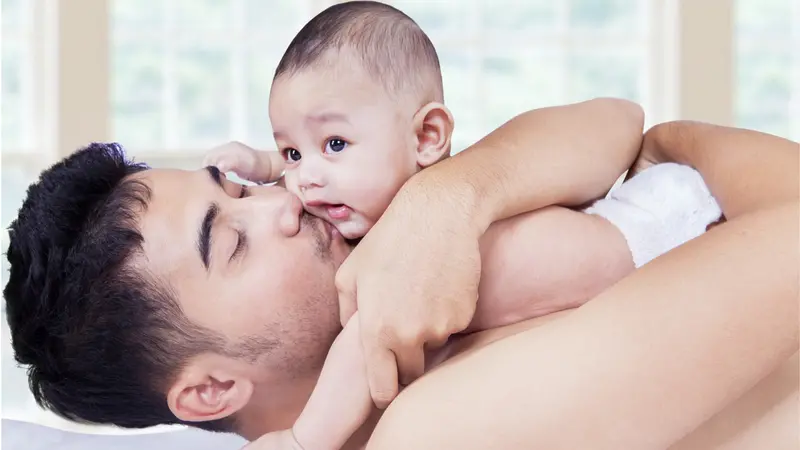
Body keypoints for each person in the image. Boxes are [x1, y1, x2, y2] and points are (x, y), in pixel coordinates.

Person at [4, 97, 647, 447]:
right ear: (210, 390)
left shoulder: (404, 235)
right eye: (233, 241)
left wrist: (450, 199)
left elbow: (617, 123)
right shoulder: (443, 424)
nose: (285, 201)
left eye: (239, 188)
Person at [360, 120, 799, 449]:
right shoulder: (429, 431)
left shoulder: (468, 334)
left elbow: (617, 122)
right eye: (287, 175)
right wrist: (671, 146)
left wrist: (451, 194)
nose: (299, 193)